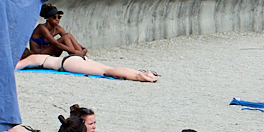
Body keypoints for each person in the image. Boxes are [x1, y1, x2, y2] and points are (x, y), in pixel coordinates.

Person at [18, 50, 159, 83]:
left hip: (67, 64)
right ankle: (143, 73)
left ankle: (139, 76)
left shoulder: (31, 58)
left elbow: (15, 67)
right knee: (108, 67)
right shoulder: (37, 56)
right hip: (74, 58)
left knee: (107, 71)